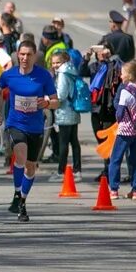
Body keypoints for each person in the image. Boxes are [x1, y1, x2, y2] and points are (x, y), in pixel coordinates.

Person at [0, 38, 58, 222]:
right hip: (15, 124)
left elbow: (56, 101)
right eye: (21, 54)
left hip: (36, 127)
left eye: (28, 55)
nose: (24, 58)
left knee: (31, 167)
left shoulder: (43, 76)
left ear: (34, 56)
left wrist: (46, 103)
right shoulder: (9, 75)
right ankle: (17, 193)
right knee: (20, 156)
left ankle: (22, 200)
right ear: (17, 55)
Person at [107, 60, 136, 200]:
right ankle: (135, 190)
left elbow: (120, 112)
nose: (120, 76)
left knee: (115, 159)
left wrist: (119, 120)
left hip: (125, 131)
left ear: (129, 75)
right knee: (135, 159)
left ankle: (113, 189)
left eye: (122, 73)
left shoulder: (126, 91)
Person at [51, 49, 83, 181]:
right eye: (53, 63)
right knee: (74, 142)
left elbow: (61, 95)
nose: (55, 65)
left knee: (63, 143)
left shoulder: (63, 74)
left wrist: (50, 98)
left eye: (57, 62)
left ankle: (61, 171)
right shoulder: (71, 70)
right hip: (73, 110)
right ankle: (77, 170)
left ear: (64, 61)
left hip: (65, 112)